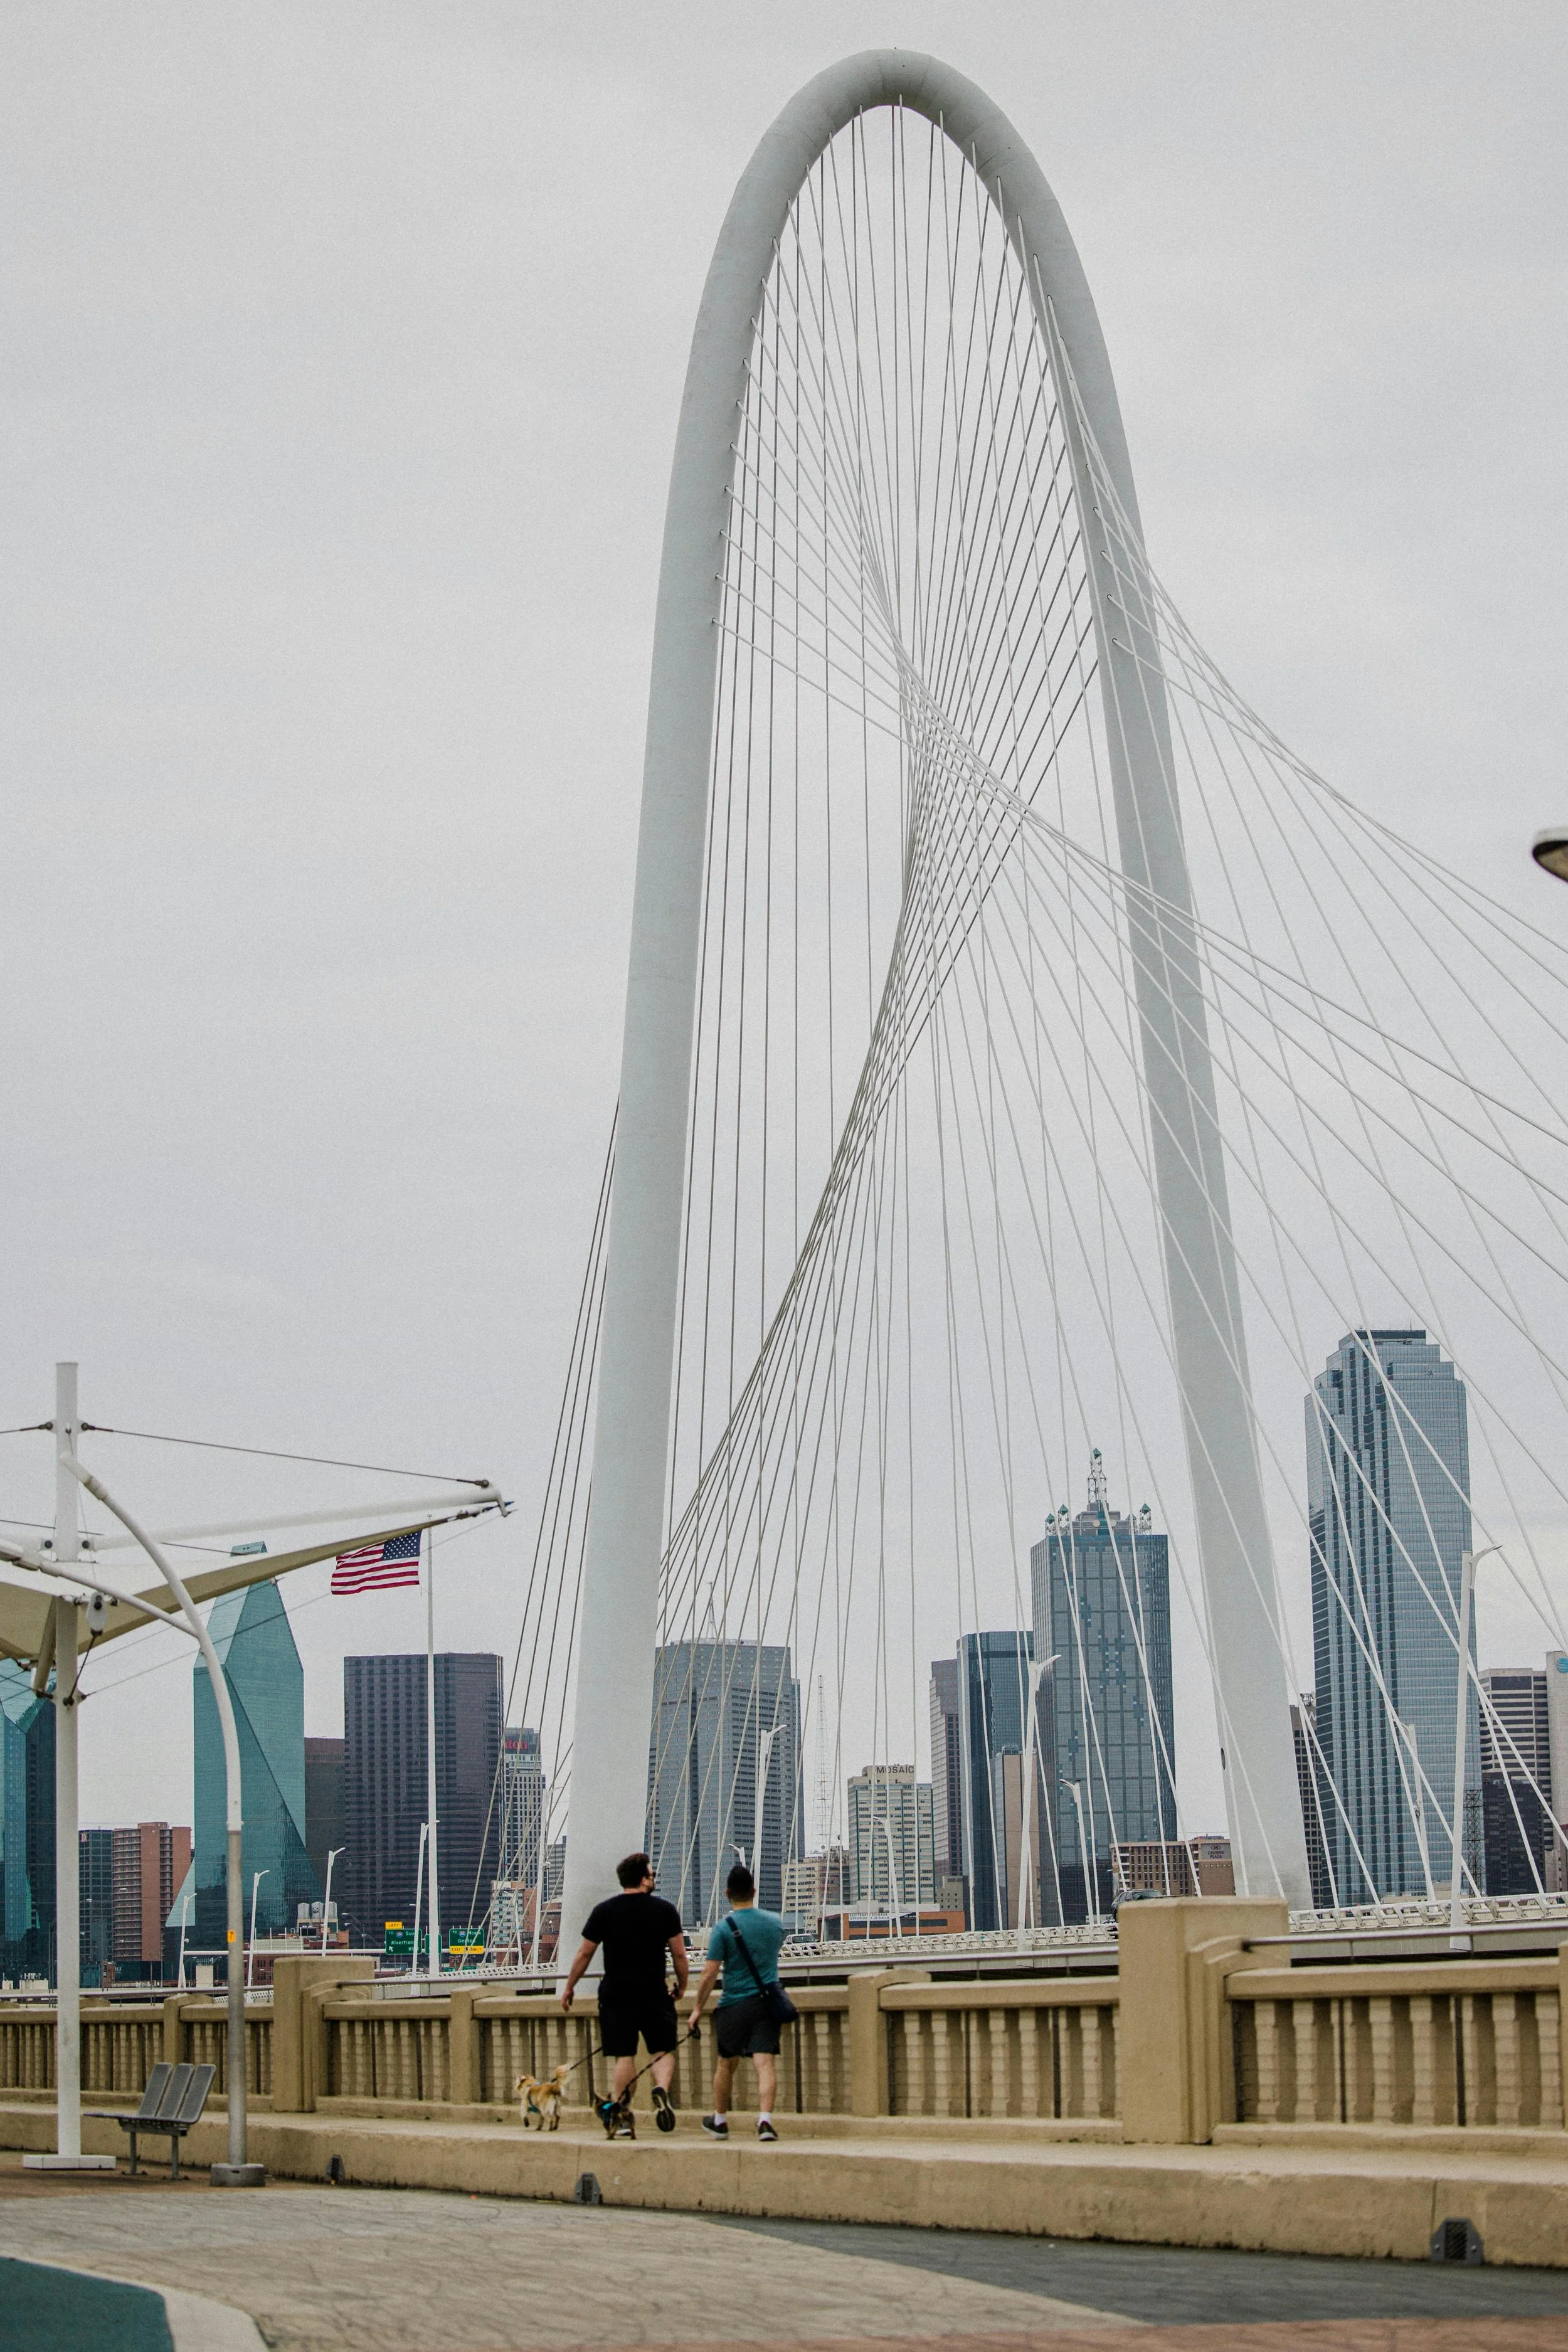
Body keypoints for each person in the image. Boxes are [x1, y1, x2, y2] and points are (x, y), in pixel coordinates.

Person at [561, 1851, 687, 2136]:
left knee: (624, 2056)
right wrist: (682, 1985)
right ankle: (660, 2089)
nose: (653, 1878)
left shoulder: (604, 1911)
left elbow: (585, 1953)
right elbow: (679, 1954)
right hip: (654, 1992)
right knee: (662, 2051)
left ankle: (622, 2119)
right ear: (643, 1879)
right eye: (651, 1874)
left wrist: (570, 1987)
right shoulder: (665, 1910)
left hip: (616, 1994)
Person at [686, 1861, 787, 2142]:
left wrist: (697, 2010)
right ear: (754, 1891)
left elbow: (709, 1974)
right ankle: (765, 2121)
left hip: (734, 2004)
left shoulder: (723, 1929)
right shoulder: (774, 1924)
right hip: (767, 2003)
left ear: (727, 1894)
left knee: (725, 2064)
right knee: (764, 2063)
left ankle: (720, 2121)